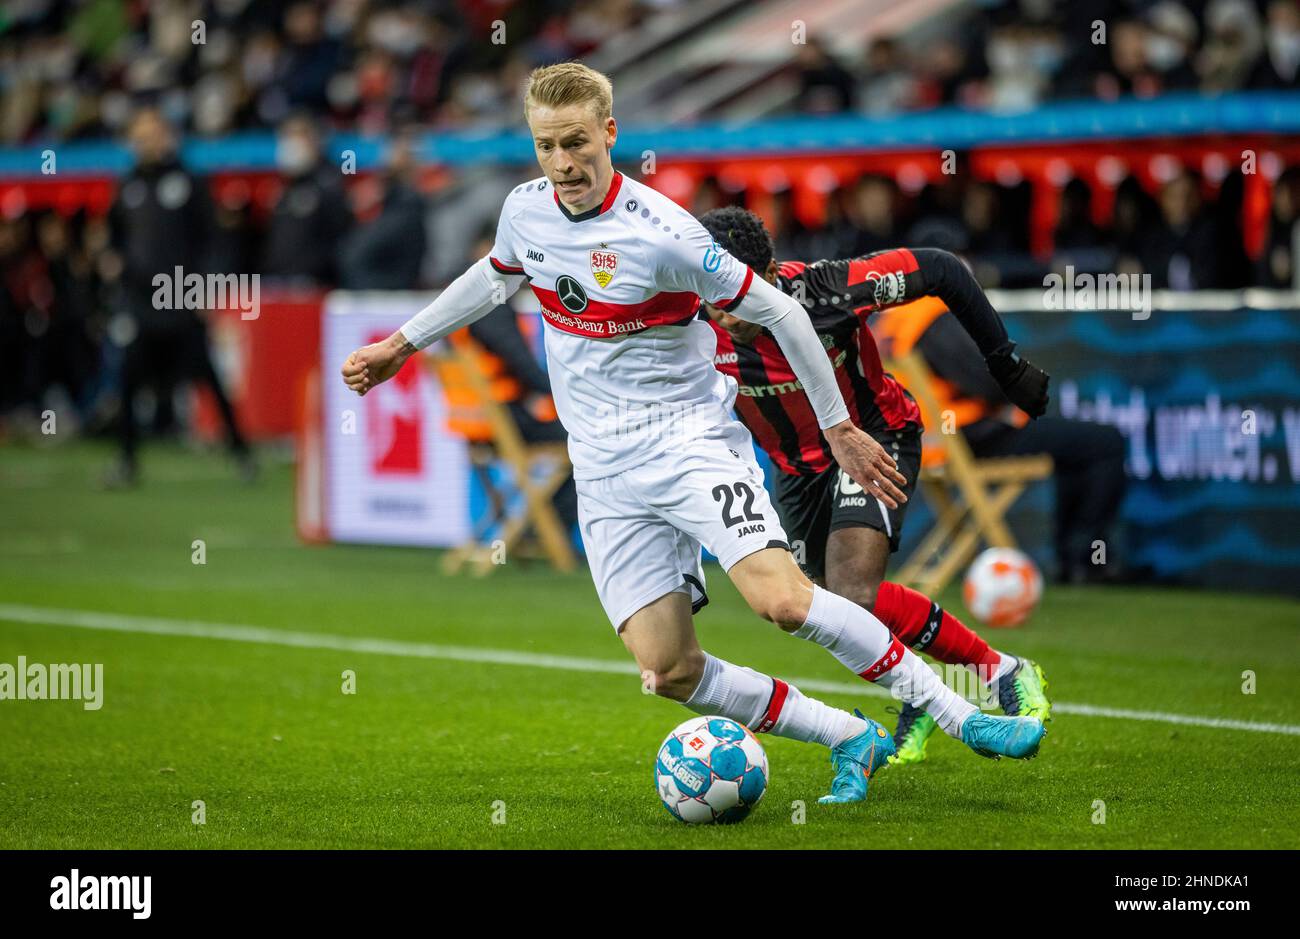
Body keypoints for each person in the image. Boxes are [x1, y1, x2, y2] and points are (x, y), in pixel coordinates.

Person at [341, 63, 1044, 805]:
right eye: (547, 146)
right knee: (668, 669)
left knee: (783, 600)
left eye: (577, 142)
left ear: (610, 132)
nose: (563, 162)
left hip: (687, 445)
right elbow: (493, 276)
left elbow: (783, 312)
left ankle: (961, 714)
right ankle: (850, 735)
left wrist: (838, 425)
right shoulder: (526, 211)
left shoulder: (667, 234)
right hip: (604, 470)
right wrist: (402, 344)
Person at [697, 206, 1053, 764]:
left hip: (875, 438)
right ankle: (932, 690)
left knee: (853, 593)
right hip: (796, 473)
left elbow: (941, 269)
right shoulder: (689, 317)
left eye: (737, 289)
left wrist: (1005, 364)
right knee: (819, 608)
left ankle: (1000, 673)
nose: (725, 308)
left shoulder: (827, 291)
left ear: (768, 270)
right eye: (713, 291)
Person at [876, 297, 1129, 585]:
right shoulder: (931, 315)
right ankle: (1085, 560)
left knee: (1075, 451)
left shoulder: (890, 320)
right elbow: (987, 381)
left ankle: (1076, 559)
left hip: (928, 443)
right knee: (1105, 443)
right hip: (973, 438)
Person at [104, 107, 253, 486]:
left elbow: (213, 241)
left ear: (166, 136)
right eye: (139, 135)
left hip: (181, 297)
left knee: (208, 378)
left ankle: (241, 454)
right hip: (139, 301)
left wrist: (206, 288)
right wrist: (112, 261)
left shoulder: (189, 181)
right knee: (129, 379)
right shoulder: (128, 184)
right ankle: (126, 461)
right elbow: (114, 237)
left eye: (152, 133)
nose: (145, 142)